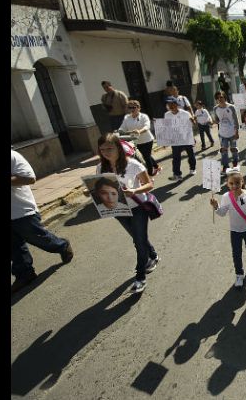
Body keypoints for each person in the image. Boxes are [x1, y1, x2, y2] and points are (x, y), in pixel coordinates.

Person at [87, 133, 159, 293]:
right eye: (102, 149)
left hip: (138, 207)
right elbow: (100, 186)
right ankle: (153, 255)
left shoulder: (133, 164)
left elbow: (149, 184)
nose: (106, 152)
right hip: (118, 209)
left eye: (109, 148)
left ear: (118, 148)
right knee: (137, 237)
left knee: (139, 242)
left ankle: (140, 278)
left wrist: (134, 190)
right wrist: (91, 191)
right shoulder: (100, 167)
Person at [11, 149, 74, 293]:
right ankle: (24, 274)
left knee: (38, 238)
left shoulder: (12, 156)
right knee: (14, 247)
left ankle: (62, 245)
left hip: (22, 211)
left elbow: (29, 178)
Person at [210, 169, 246, 288]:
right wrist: (216, 206)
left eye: (237, 183)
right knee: (236, 253)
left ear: (242, 182)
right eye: (231, 183)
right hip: (235, 231)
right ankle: (239, 274)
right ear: (227, 184)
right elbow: (222, 213)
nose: (234, 186)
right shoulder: (226, 197)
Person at [119, 100, 161, 176]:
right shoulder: (127, 118)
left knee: (146, 156)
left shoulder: (143, 116)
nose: (132, 109)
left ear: (139, 108)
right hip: (137, 141)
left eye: (134, 107)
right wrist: (119, 131)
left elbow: (147, 126)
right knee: (147, 155)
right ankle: (156, 166)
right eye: (130, 107)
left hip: (147, 140)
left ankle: (150, 173)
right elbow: (123, 127)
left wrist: (139, 131)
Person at [164, 97, 197, 181]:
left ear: (176, 104)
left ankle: (192, 168)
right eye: (168, 104)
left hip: (186, 138)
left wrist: (193, 121)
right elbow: (167, 127)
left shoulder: (185, 113)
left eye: (172, 104)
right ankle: (177, 174)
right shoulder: (167, 115)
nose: (170, 106)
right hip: (175, 139)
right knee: (176, 157)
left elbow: (192, 124)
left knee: (190, 154)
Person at [213, 91, 240, 173]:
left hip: (232, 133)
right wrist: (215, 121)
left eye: (221, 97)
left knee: (233, 149)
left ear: (225, 97)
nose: (219, 99)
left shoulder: (231, 107)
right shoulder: (215, 108)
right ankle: (225, 166)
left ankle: (235, 165)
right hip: (222, 134)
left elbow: (236, 120)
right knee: (224, 151)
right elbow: (217, 119)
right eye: (218, 98)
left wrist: (237, 132)